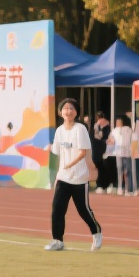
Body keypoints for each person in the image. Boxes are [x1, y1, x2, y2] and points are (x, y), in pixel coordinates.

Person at [44, 98, 101, 252]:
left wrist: (70, 164)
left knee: (83, 210)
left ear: (76, 112)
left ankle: (96, 232)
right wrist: (57, 174)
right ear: (60, 112)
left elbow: (83, 152)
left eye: (71, 108)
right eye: (65, 108)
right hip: (63, 177)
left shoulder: (80, 129)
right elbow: (56, 152)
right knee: (57, 209)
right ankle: (57, 241)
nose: (68, 111)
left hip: (79, 177)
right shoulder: (59, 131)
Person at [107, 115, 133, 196]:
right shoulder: (114, 131)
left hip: (127, 153)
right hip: (118, 153)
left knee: (127, 170)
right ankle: (120, 187)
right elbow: (110, 141)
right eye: (117, 121)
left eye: (119, 121)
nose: (118, 123)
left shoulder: (128, 130)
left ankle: (127, 188)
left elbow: (132, 140)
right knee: (119, 169)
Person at [91, 111, 112, 193]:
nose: (100, 120)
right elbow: (95, 137)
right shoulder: (96, 126)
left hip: (106, 149)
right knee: (99, 167)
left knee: (105, 167)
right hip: (97, 149)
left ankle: (105, 184)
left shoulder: (108, 126)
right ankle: (100, 185)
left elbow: (107, 136)